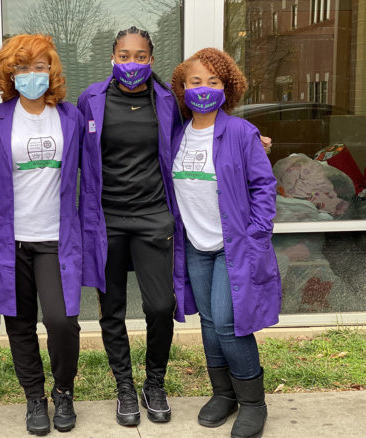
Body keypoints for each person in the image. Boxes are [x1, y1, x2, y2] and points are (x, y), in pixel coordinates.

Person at [169, 48, 282, 438]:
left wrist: (256, 234)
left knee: (231, 323)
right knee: (211, 322)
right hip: (195, 245)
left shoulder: (240, 133)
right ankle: (224, 394)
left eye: (213, 82)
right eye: (195, 82)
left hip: (233, 246)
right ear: (182, 89)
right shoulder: (177, 134)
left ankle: (253, 402)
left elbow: (264, 185)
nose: (203, 89)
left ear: (227, 87)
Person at [0, 34, 84, 436]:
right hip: (9, 240)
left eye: (39, 67)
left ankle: (64, 391)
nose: (31, 75)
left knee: (61, 321)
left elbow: (91, 174)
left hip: (56, 239)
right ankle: (34, 398)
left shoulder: (70, 117)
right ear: (9, 73)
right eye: (21, 68)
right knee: (19, 324)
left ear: (51, 70)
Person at [77, 26, 182, 427]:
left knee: (160, 306)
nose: (132, 63)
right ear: (113, 59)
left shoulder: (167, 101)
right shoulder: (92, 99)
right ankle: (125, 385)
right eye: (125, 55)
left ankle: (154, 382)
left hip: (154, 216)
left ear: (151, 60)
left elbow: (197, 136)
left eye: (140, 56)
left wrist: (249, 137)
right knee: (113, 309)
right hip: (107, 221)